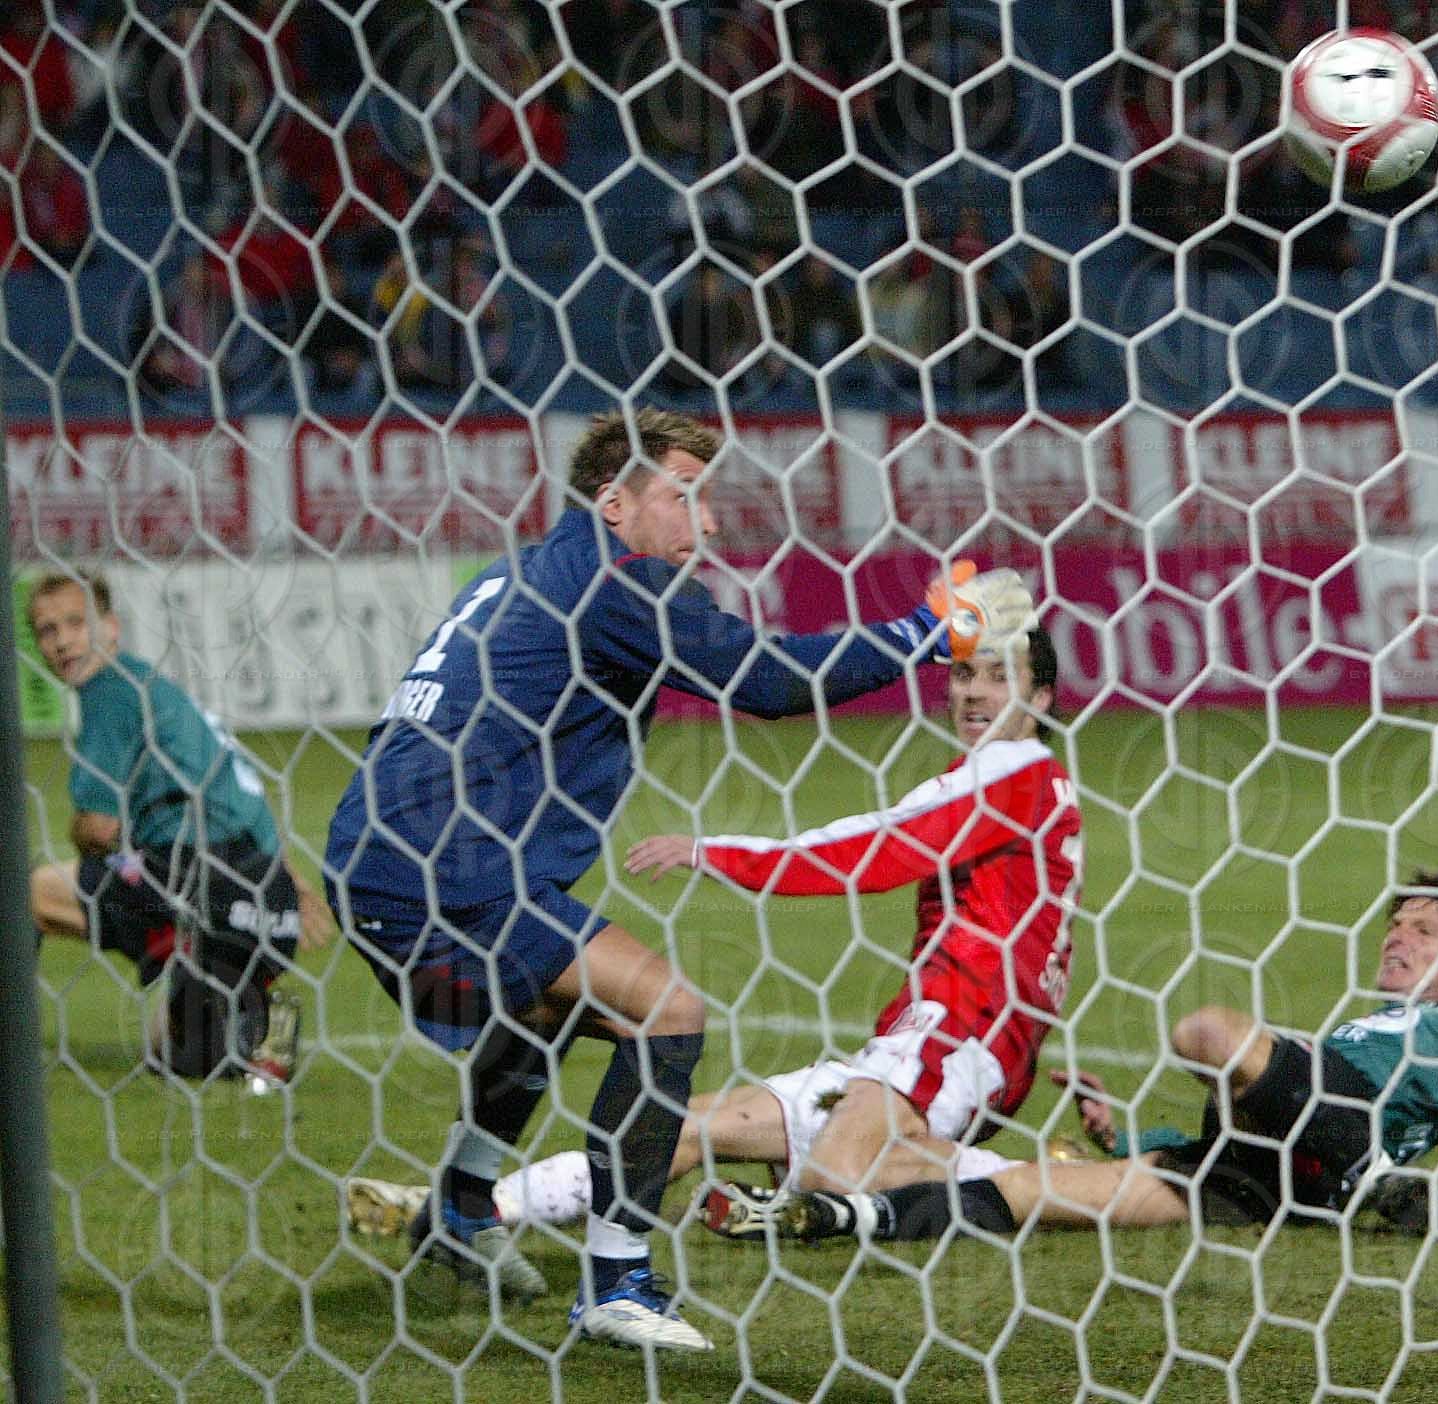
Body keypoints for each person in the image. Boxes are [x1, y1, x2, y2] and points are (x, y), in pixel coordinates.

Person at [323, 407, 1035, 1353]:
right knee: (668, 1010)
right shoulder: (618, 586)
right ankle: (618, 1283)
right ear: (615, 503)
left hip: (374, 855)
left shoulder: (519, 572)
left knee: (550, 1017)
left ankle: (459, 1211)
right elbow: (773, 681)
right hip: (448, 865)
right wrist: (930, 629)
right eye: (684, 498)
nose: (704, 525)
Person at [345, 626, 1089, 1240]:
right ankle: (470, 1214)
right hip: (933, 1034)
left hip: (963, 1032)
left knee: (834, 1177)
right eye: (963, 673)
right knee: (684, 1126)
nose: (971, 692)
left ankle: (1066, 1188)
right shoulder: (1020, 782)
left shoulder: (1012, 773)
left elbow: (872, 850)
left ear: (1042, 697)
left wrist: (714, 852)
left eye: (998, 676)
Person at [716, 871, 1438, 1245]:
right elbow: (1265, 1107)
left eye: (1423, 933)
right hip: (1252, 1174)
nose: (1398, 942)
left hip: (1336, 1145)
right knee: (1038, 1190)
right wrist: (1125, 1132)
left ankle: (1366, 1180)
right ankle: (847, 1217)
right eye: (1395, 927)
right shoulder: (1367, 1028)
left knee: (1207, 1029)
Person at [26, 572, 333, 1085]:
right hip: (262, 896)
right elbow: (241, 791)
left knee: (25, 894)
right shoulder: (155, 687)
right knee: (171, 1054)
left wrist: (91, 836)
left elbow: (99, 829)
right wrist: (285, 882)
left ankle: (12, 1046)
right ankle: (255, 1022)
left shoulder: (109, 692)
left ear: (111, 627)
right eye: (46, 630)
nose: (61, 641)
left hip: (195, 880)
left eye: (75, 623)